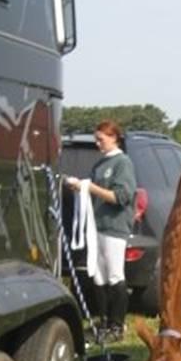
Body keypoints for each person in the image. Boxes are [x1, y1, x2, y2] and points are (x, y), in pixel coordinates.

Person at [66, 120, 136, 342]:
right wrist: (80, 188)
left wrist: (90, 187)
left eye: (101, 139)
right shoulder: (99, 165)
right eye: (96, 139)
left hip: (114, 227)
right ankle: (104, 322)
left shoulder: (122, 163)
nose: (97, 143)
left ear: (114, 138)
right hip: (96, 227)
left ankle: (117, 325)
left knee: (115, 274)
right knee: (98, 275)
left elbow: (120, 197)